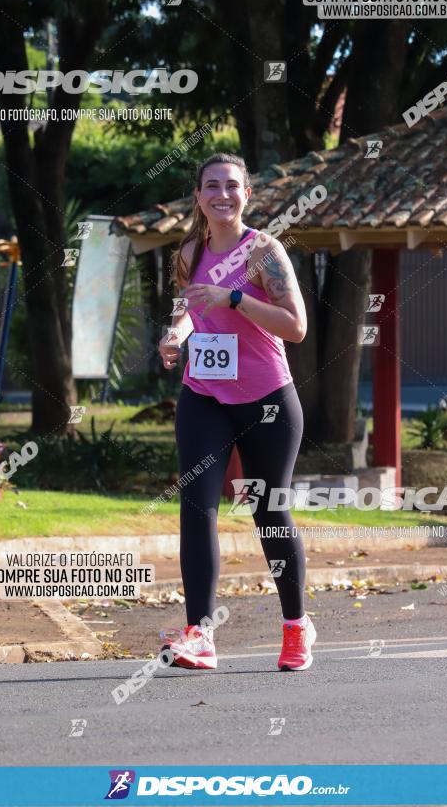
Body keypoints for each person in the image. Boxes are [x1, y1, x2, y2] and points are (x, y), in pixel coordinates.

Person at [158, 152, 315, 672]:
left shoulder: (264, 253)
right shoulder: (188, 250)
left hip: (266, 398)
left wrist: (235, 300)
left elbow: (296, 327)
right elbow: (189, 307)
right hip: (203, 394)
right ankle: (199, 635)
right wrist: (174, 335)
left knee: (268, 509)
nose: (221, 194)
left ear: (247, 193)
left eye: (231, 186)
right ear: (198, 196)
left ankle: (295, 627)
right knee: (197, 506)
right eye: (211, 186)